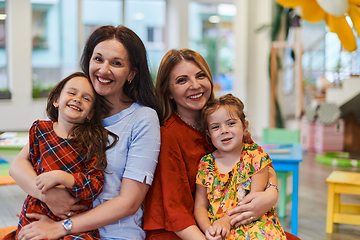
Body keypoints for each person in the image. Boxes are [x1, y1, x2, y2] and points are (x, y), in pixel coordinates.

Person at [9, 25, 161, 240]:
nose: (104, 69)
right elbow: (17, 166)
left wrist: (63, 227)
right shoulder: (79, 110)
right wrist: (49, 196)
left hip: (113, 234)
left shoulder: (143, 118)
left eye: (116, 63)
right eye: (98, 59)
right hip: (55, 226)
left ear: (132, 74)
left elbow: (129, 202)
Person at [143, 49, 280, 240]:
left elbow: (259, 162)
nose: (195, 85)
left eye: (201, 76)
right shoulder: (168, 135)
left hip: (229, 223)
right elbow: (175, 212)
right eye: (182, 80)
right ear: (168, 92)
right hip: (181, 230)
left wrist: (271, 195)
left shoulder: (224, 118)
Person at [3, 72, 118, 240]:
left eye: (86, 98)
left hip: (73, 222)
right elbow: (21, 168)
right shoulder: (39, 130)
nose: (78, 99)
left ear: (91, 113)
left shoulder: (91, 141)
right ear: (56, 100)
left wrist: (64, 178)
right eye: (72, 93)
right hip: (36, 214)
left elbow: (95, 185)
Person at [194, 94, 286, 239]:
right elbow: (200, 206)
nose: (224, 130)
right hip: (219, 228)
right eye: (215, 127)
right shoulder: (206, 164)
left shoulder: (255, 155)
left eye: (231, 123)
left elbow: (253, 201)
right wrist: (208, 229)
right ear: (208, 134)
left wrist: (226, 220)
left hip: (252, 222)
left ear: (244, 126)